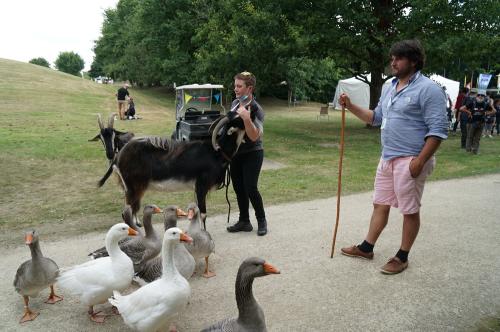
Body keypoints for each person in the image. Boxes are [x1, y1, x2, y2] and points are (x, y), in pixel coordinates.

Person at [338, 39, 448, 275]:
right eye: (392, 58)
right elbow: (376, 118)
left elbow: (438, 131)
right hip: (387, 158)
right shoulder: (389, 86)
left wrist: (419, 162)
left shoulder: (429, 89)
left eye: (398, 58)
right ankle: (367, 248)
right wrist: (350, 106)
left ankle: (402, 256)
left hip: (410, 160)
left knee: (409, 210)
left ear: (414, 61)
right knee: (380, 203)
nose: (393, 62)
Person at [226, 71, 268, 236]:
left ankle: (262, 220)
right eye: (235, 85)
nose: (235, 89)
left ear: (249, 88)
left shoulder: (257, 109)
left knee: (250, 188)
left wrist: (246, 119)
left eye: (239, 86)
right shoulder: (235, 103)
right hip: (236, 153)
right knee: (238, 188)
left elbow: (254, 135)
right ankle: (244, 221)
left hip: (253, 152)